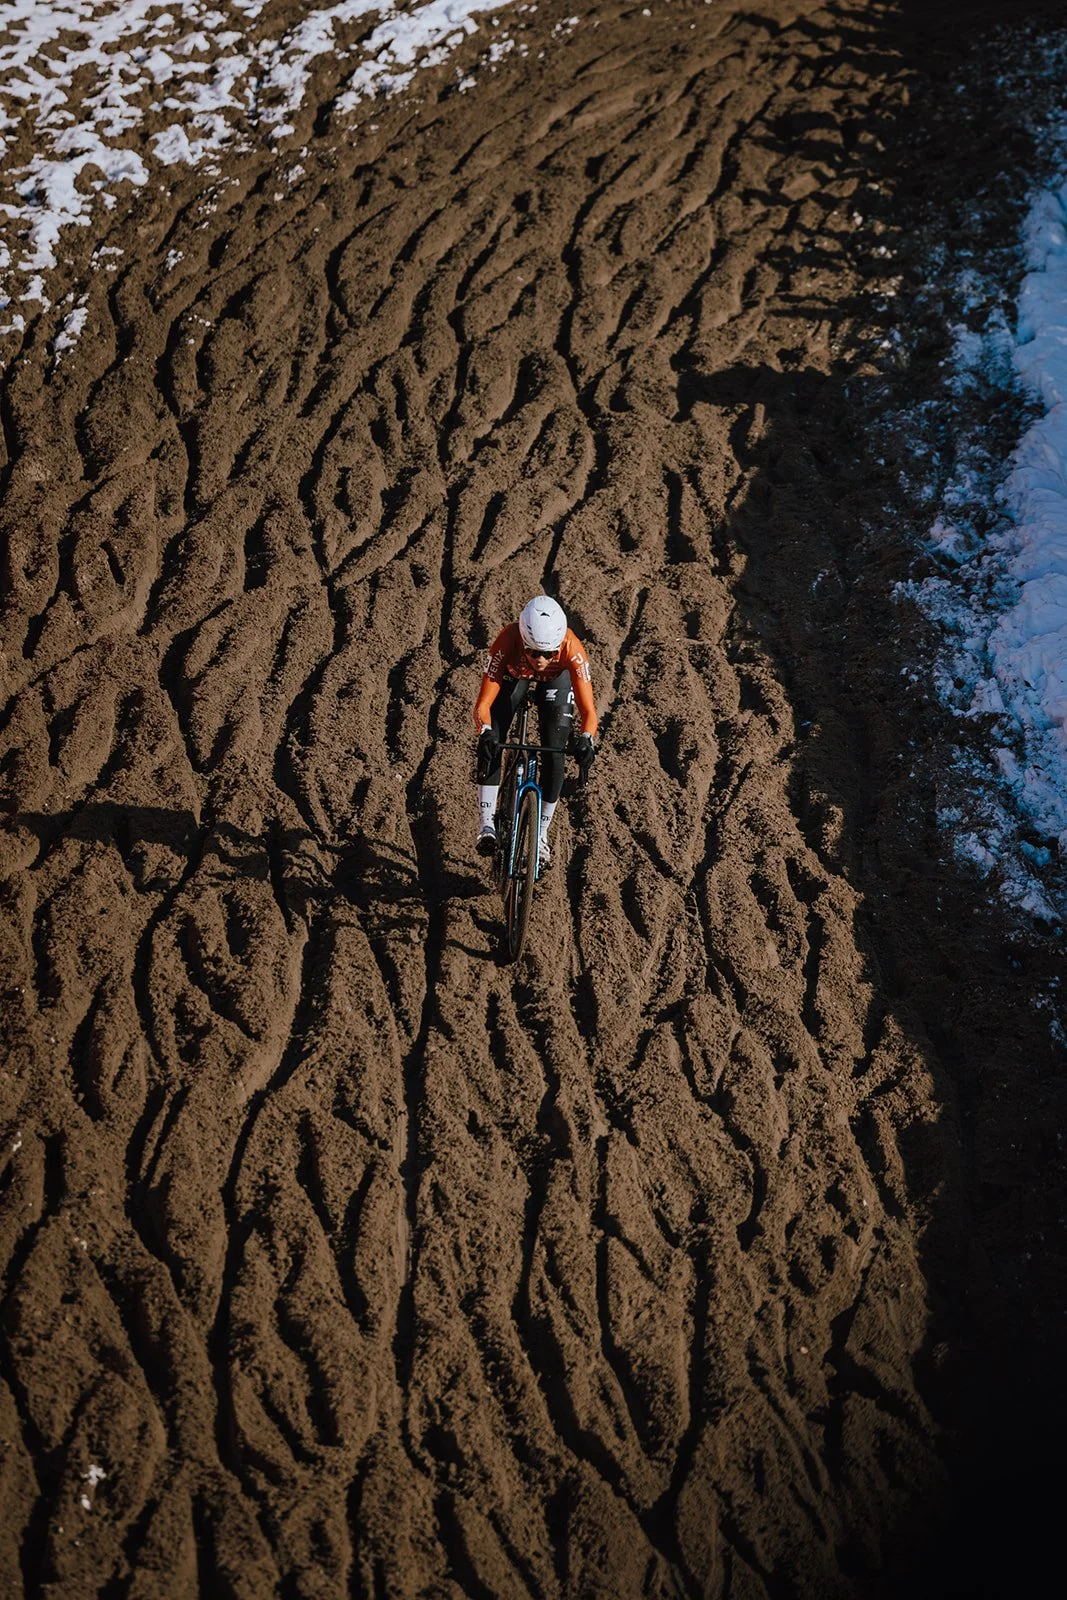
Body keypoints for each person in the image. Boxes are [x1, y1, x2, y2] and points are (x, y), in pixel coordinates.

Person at [472, 595, 597, 865]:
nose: (541, 660)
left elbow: (589, 711)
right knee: (494, 739)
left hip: (556, 682)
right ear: (523, 641)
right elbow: (483, 703)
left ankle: (540, 835)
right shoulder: (507, 640)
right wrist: (485, 730)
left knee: (555, 753)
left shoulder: (572, 648)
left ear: (559, 646)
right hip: (513, 675)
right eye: (535, 652)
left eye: (550, 653)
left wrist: (587, 738)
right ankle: (486, 825)